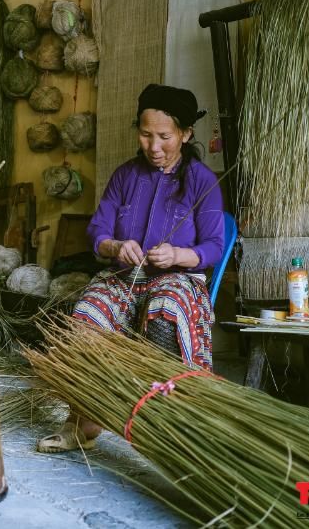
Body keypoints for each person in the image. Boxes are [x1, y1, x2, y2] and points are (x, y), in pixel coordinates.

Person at [37, 84, 224, 452]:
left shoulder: (203, 180)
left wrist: (177, 255)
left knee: (166, 309)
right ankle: (82, 421)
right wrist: (116, 246)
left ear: (185, 134)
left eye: (164, 137)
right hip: (125, 277)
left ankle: (170, 422)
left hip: (178, 279)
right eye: (145, 134)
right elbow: (98, 231)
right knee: (87, 314)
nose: (153, 147)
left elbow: (214, 246)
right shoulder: (126, 176)